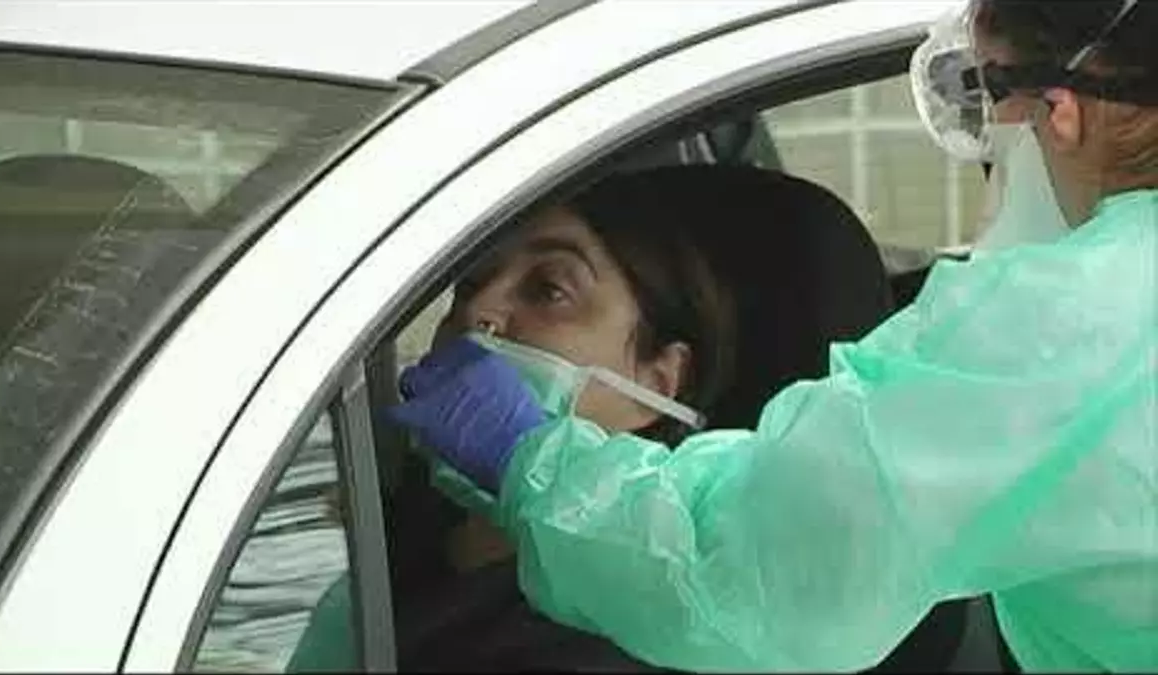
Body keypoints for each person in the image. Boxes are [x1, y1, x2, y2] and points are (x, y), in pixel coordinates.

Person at [386, 0, 1158, 671]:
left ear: (1060, 111)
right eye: (471, 277)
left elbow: (764, 567)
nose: (482, 314)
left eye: (981, 97)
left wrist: (530, 458)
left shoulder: (1074, 323)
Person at [289, 167, 741, 672]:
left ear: (658, 382)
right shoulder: (367, 547)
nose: (477, 310)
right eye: (469, 284)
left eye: (548, 290)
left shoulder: (641, 641)